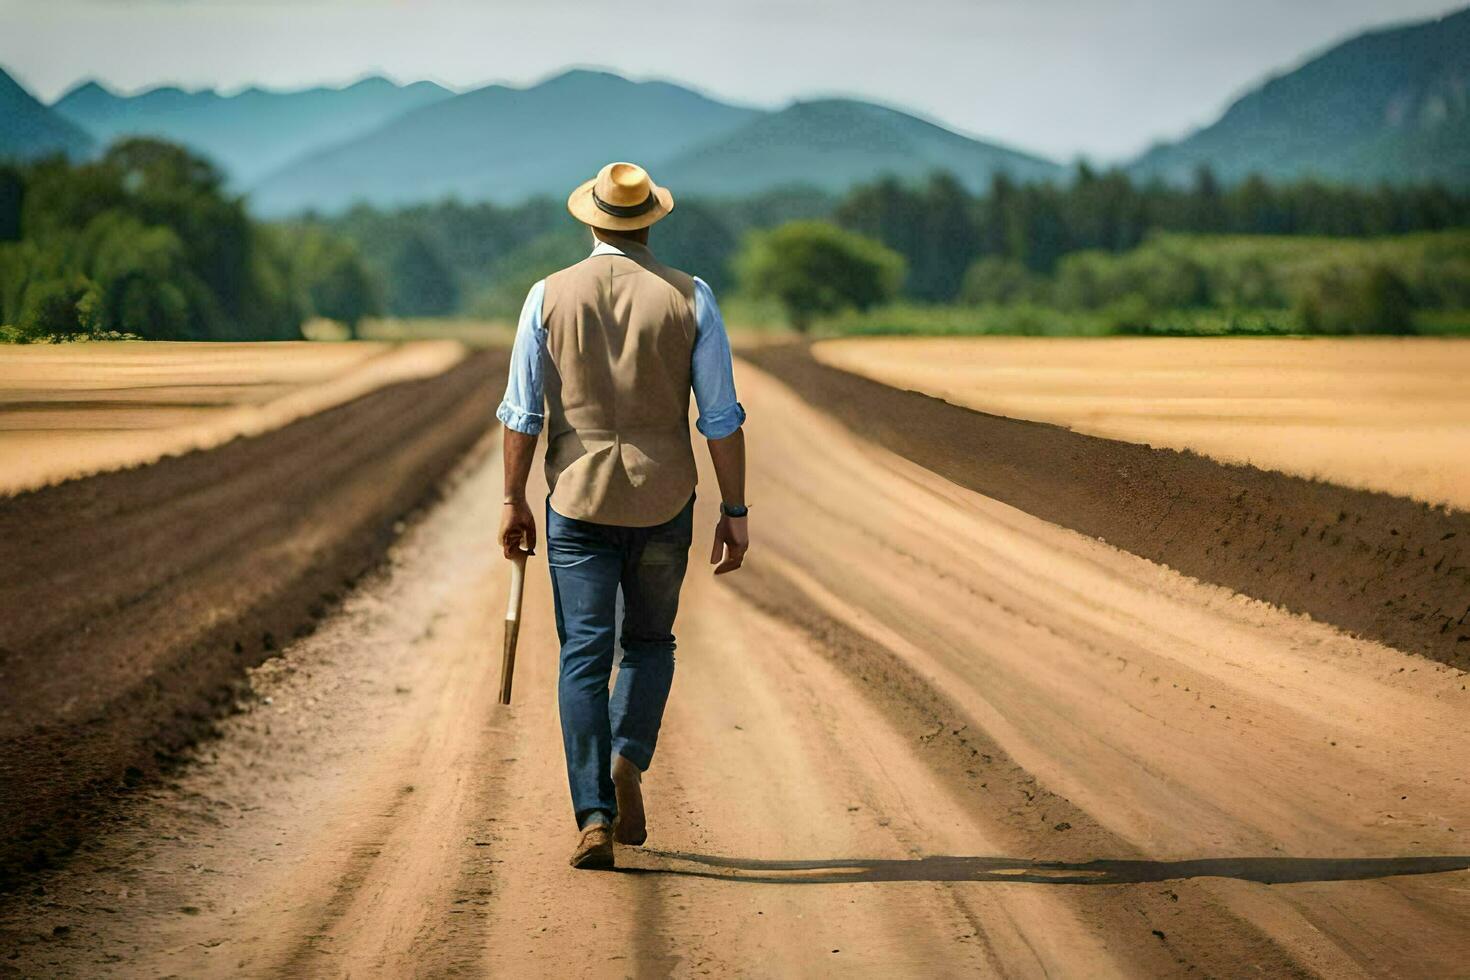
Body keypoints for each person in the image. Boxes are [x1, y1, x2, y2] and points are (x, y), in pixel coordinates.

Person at [495, 161, 749, 870]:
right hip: (664, 497)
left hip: (575, 498)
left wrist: (514, 498)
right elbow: (721, 417)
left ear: (592, 219)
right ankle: (627, 755)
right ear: (649, 220)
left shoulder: (546, 296)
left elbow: (522, 412)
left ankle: (593, 816)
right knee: (649, 643)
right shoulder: (691, 296)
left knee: (583, 655)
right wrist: (735, 509)